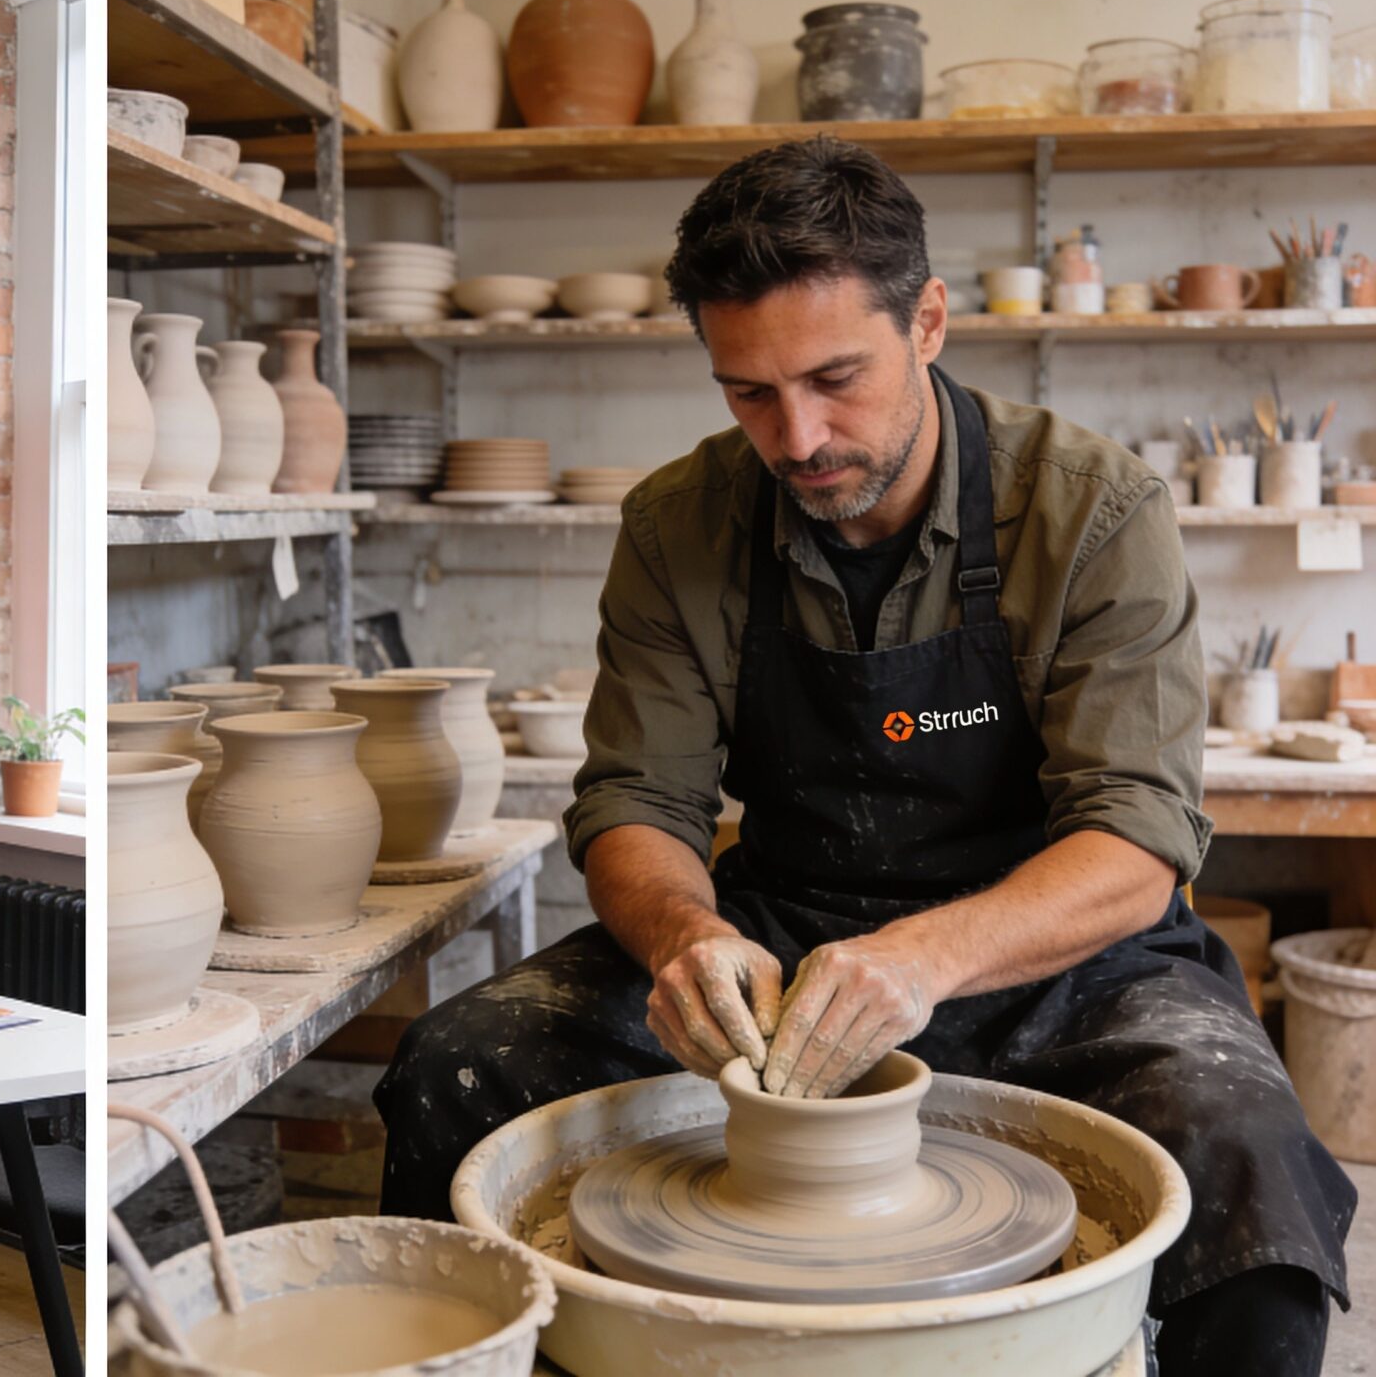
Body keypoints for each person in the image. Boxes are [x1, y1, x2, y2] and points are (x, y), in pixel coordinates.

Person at [373, 136, 1352, 1373]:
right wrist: (686, 941)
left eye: (835, 377)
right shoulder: (680, 524)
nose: (796, 435)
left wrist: (923, 958)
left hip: (1063, 963)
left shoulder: (1091, 510)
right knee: (460, 1067)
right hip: (780, 943)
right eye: (748, 392)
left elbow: (1140, 842)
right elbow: (635, 801)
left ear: (929, 320)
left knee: (1250, 1154)